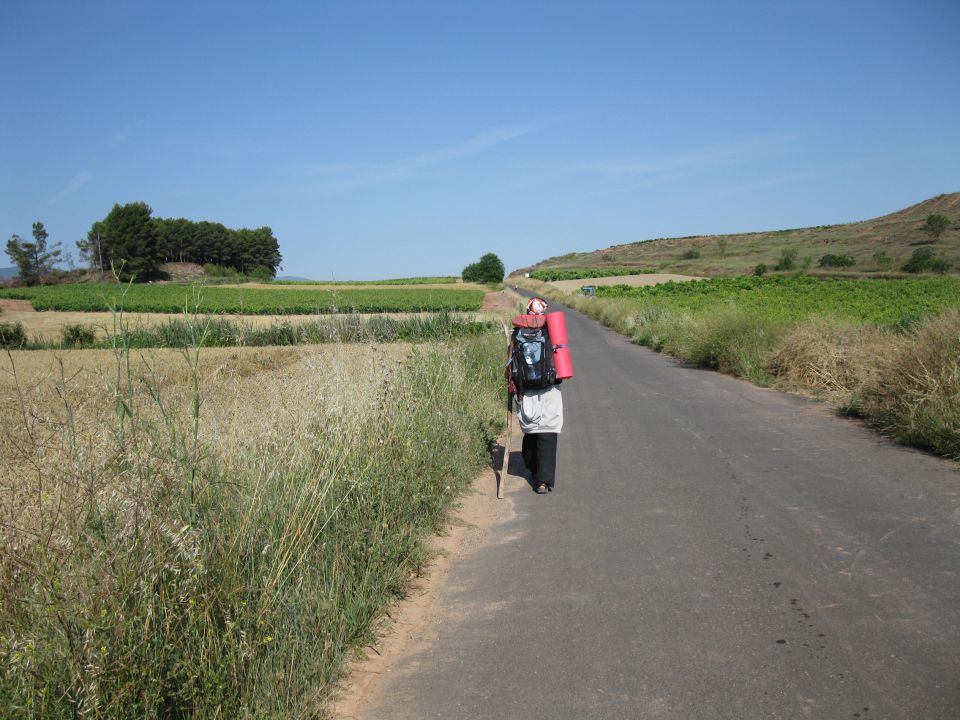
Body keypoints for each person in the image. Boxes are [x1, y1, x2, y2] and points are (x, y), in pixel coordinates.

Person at [507, 296, 563, 494]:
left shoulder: (516, 333)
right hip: (550, 389)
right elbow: (562, 362)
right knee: (548, 432)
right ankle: (543, 481)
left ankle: (532, 467)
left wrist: (511, 384)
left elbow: (510, 364)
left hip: (526, 391)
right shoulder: (553, 330)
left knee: (531, 431)